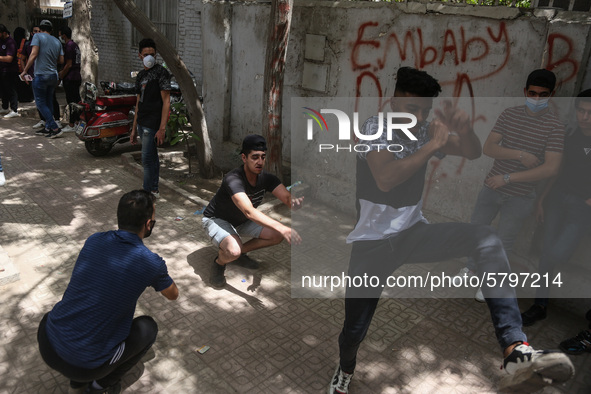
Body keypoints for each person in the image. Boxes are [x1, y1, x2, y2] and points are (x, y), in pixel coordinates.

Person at [329, 67, 574, 394]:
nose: (416, 117)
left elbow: (471, 151)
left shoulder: (425, 129)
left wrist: (465, 130)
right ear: (391, 103)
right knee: (355, 329)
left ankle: (516, 351)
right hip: (372, 245)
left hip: (413, 234)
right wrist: (431, 146)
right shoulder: (376, 128)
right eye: (410, 109)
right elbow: (386, 178)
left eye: (423, 111)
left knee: (486, 238)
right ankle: (345, 370)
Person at [37, 190, 179, 394]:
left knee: (75, 319)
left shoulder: (94, 240)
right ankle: (99, 386)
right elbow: (173, 294)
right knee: (148, 328)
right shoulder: (151, 263)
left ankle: (76, 384)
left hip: (47, 342)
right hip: (86, 365)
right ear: (149, 225)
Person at [459, 69, 564, 302]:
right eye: (533, 93)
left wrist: (508, 178)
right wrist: (520, 155)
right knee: (476, 229)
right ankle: (471, 268)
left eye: (543, 94)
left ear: (552, 94)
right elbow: (489, 148)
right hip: (492, 187)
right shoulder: (509, 114)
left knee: (503, 243)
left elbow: (551, 168)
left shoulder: (555, 127)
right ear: (525, 91)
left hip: (521, 194)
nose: (536, 99)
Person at [520, 89, 591, 326]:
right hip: (557, 200)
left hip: (581, 208)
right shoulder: (570, 135)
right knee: (547, 256)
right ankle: (540, 305)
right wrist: (542, 199)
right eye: (581, 110)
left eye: (590, 112)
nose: (585, 117)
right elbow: (556, 170)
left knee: (556, 253)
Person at [202, 134, 303, 287]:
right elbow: (249, 211)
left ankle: (239, 253)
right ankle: (219, 263)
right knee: (232, 251)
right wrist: (282, 227)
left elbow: (287, 198)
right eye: (255, 157)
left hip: (241, 220)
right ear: (244, 158)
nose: (260, 162)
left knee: (276, 236)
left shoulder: (267, 178)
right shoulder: (233, 179)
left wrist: (294, 204)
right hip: (216, 219)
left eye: (263, 157)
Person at [130, 38, 171, 198]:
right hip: (141, 122)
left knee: (146, 159)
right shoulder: (140, 75)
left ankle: (147, 195)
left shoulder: (161, 73)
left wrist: (162, 128)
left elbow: (166, 101)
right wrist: (133, 129)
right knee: (151, 158)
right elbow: (138, 102)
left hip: (152, 124)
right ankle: (153, 189)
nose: (149, 57)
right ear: (140, 55)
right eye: (146, 54)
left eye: (152, 54)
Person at [20, 20, 64, 139]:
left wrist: (25, 71)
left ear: (40, 28)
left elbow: (33, 54)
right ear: (51, 30)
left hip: (41, 75)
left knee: (40, 103)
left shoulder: (37, 36)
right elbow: (61, 60)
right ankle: (48, 127)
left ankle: (55, 127)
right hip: (53, 76)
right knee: (49, 100)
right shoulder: (57, 41)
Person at [58, 26, 81, 133]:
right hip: (77, 76)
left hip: (71, 78)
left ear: (63, 35)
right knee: (76, 101)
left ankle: (72, 124)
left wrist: (61, 75)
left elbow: (68, 64)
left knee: (71, 102)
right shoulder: (75, 45)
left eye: (60, 35)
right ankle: (77, 122)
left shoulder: (68, 46)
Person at [0, 24, 20, 118]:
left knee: (11, 89)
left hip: (10, 70)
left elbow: (9, 58)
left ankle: (14, 109)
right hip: (2, 69)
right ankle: (4, 107)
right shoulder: (1, 41)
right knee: (4, 89)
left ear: (4, 33)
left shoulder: (10, 42)